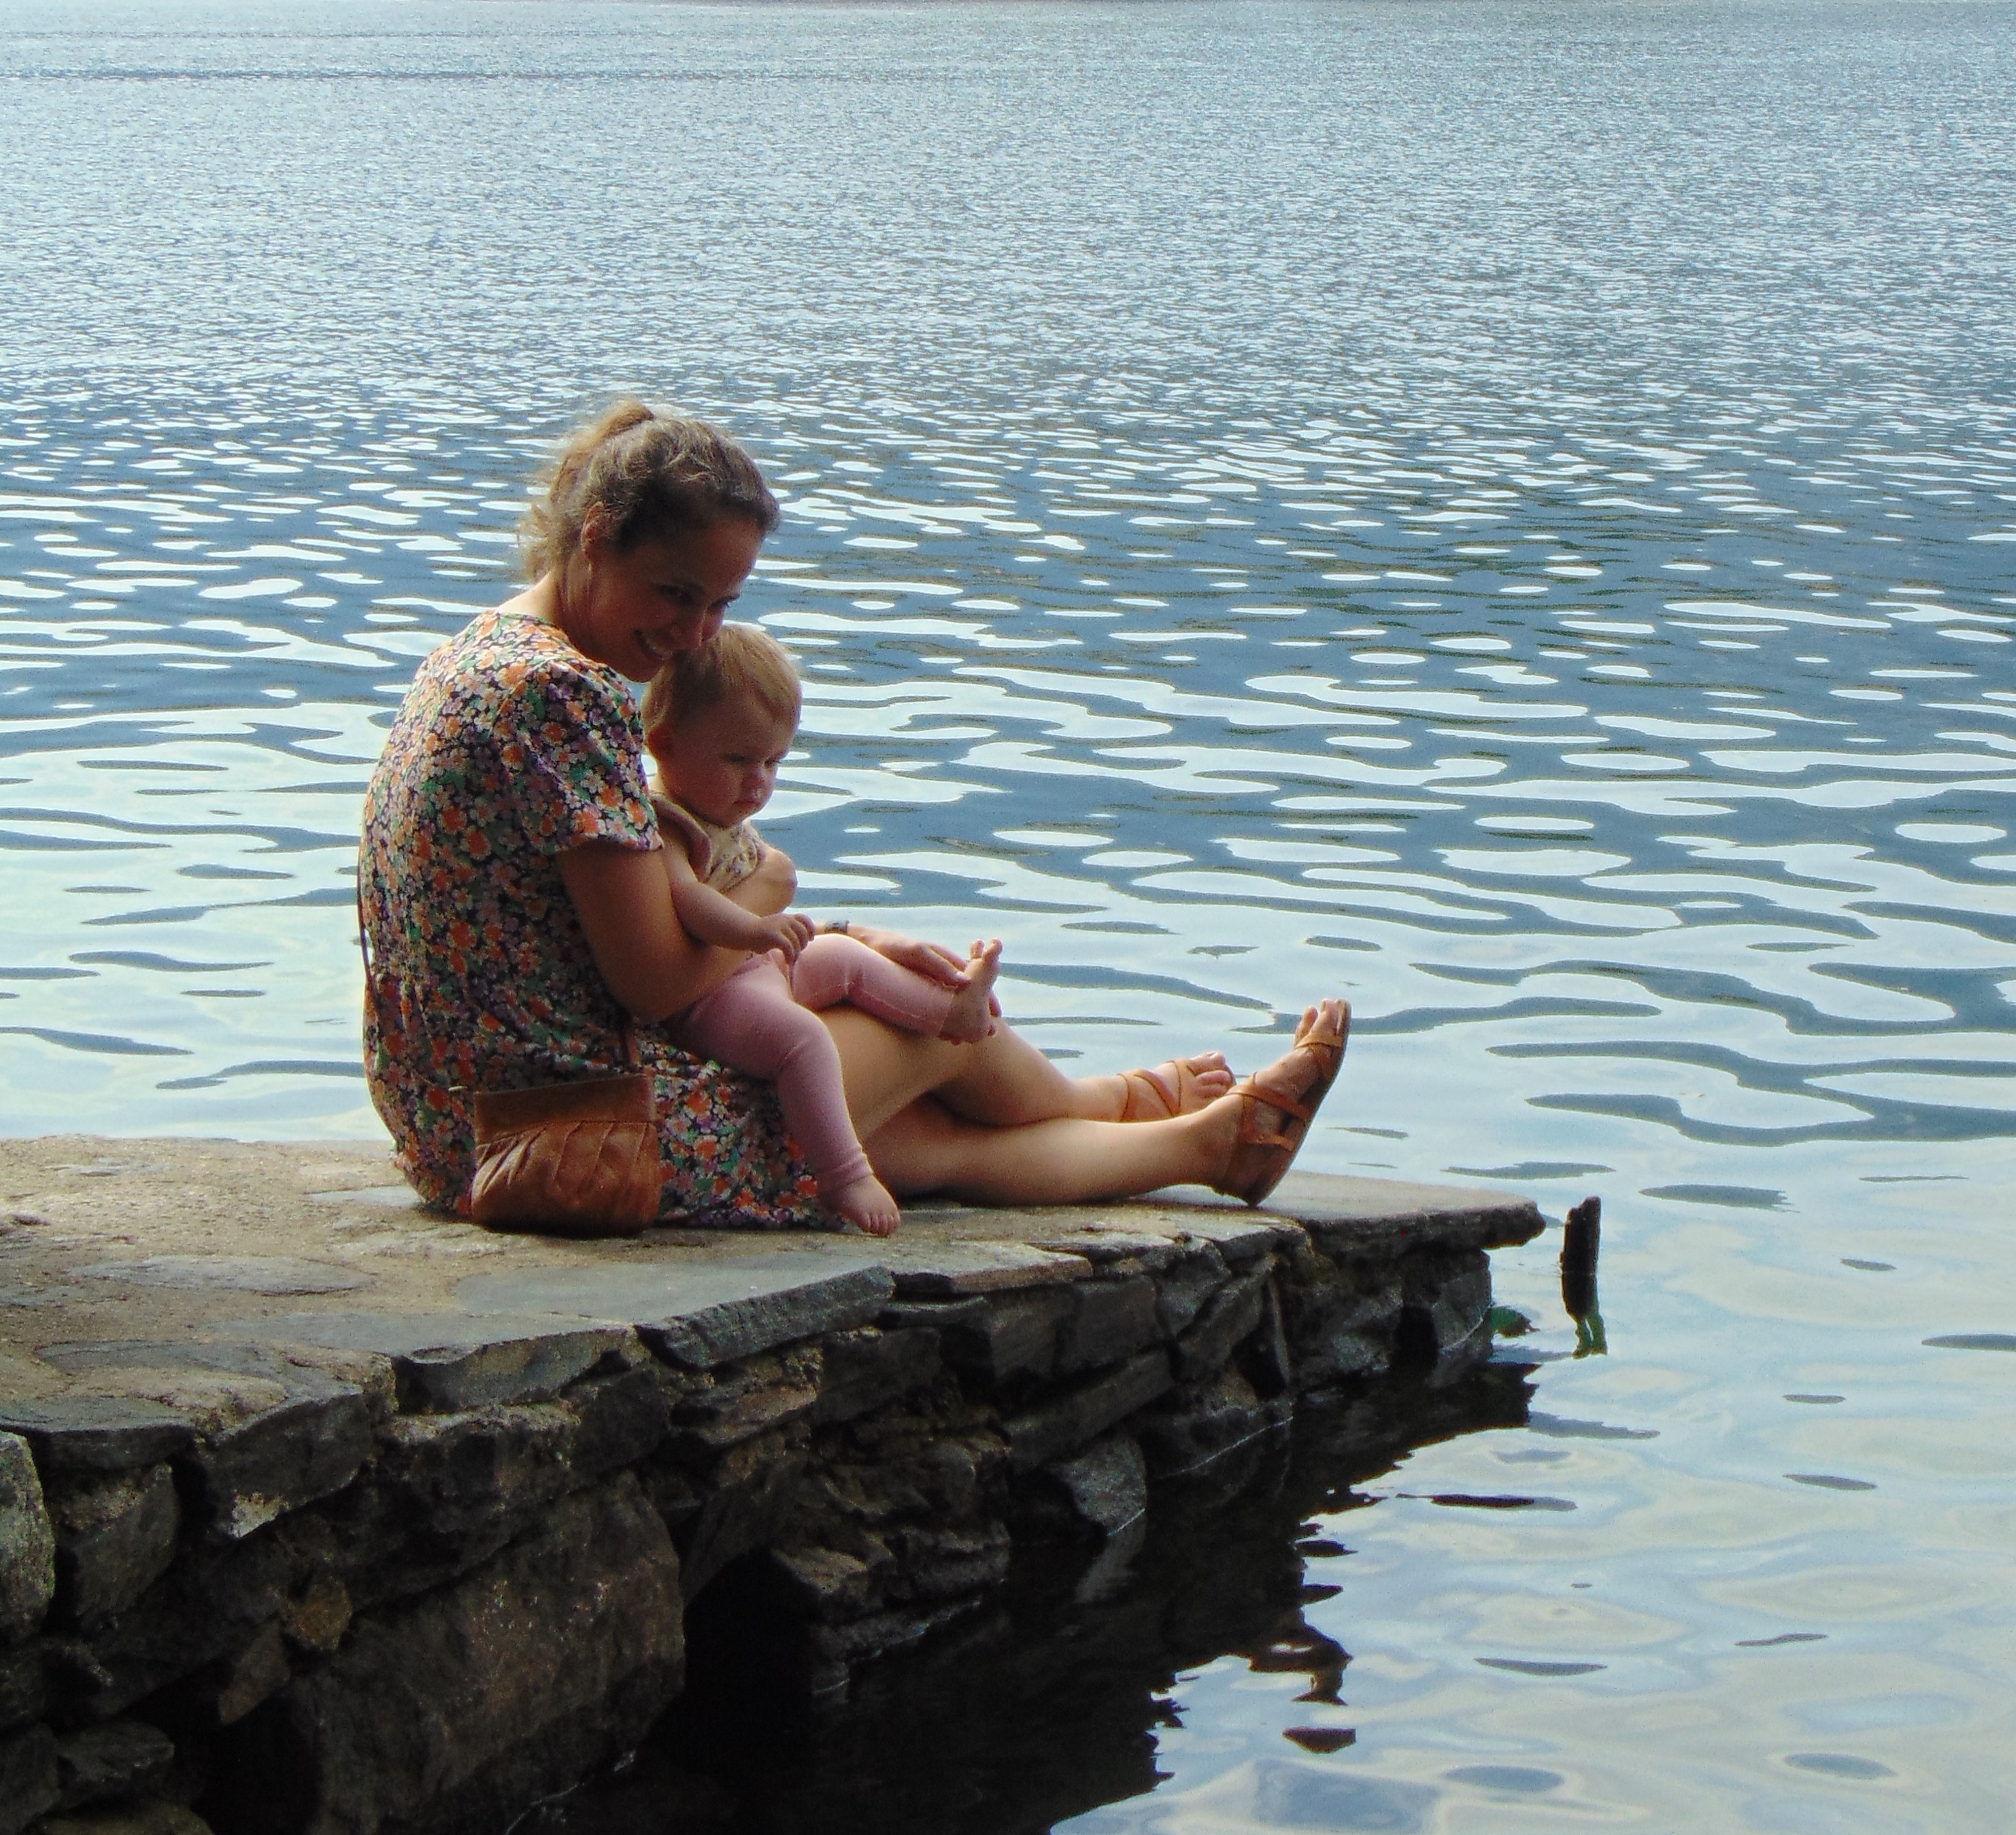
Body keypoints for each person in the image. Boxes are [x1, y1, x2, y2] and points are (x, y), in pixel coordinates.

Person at [357, 399, 1347, 1228]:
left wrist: (828, 936)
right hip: (568, 1134)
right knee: (925, 1026)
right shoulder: (562, 696)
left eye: (720, 604)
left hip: (455, 1119)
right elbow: (657, 981)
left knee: (914, 1139)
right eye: (674, 592)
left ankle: (1202, 1143)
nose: (694, 635)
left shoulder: (480, 648)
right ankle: (1147, 1109)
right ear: (593, 538)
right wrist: (773, 888)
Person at [643, 623, 1005, 1234]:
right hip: (708, 996)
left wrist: (785, 935)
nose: (757, 782)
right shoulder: (664, 824)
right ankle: (845, 1174)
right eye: (737, 760)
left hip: (751, 963)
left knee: (844, 957)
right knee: (802, 1038)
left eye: (773, 762)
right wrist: (756, 931)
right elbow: (690, 904)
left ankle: (953, 1014)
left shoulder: (716, 809)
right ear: (665, 744)